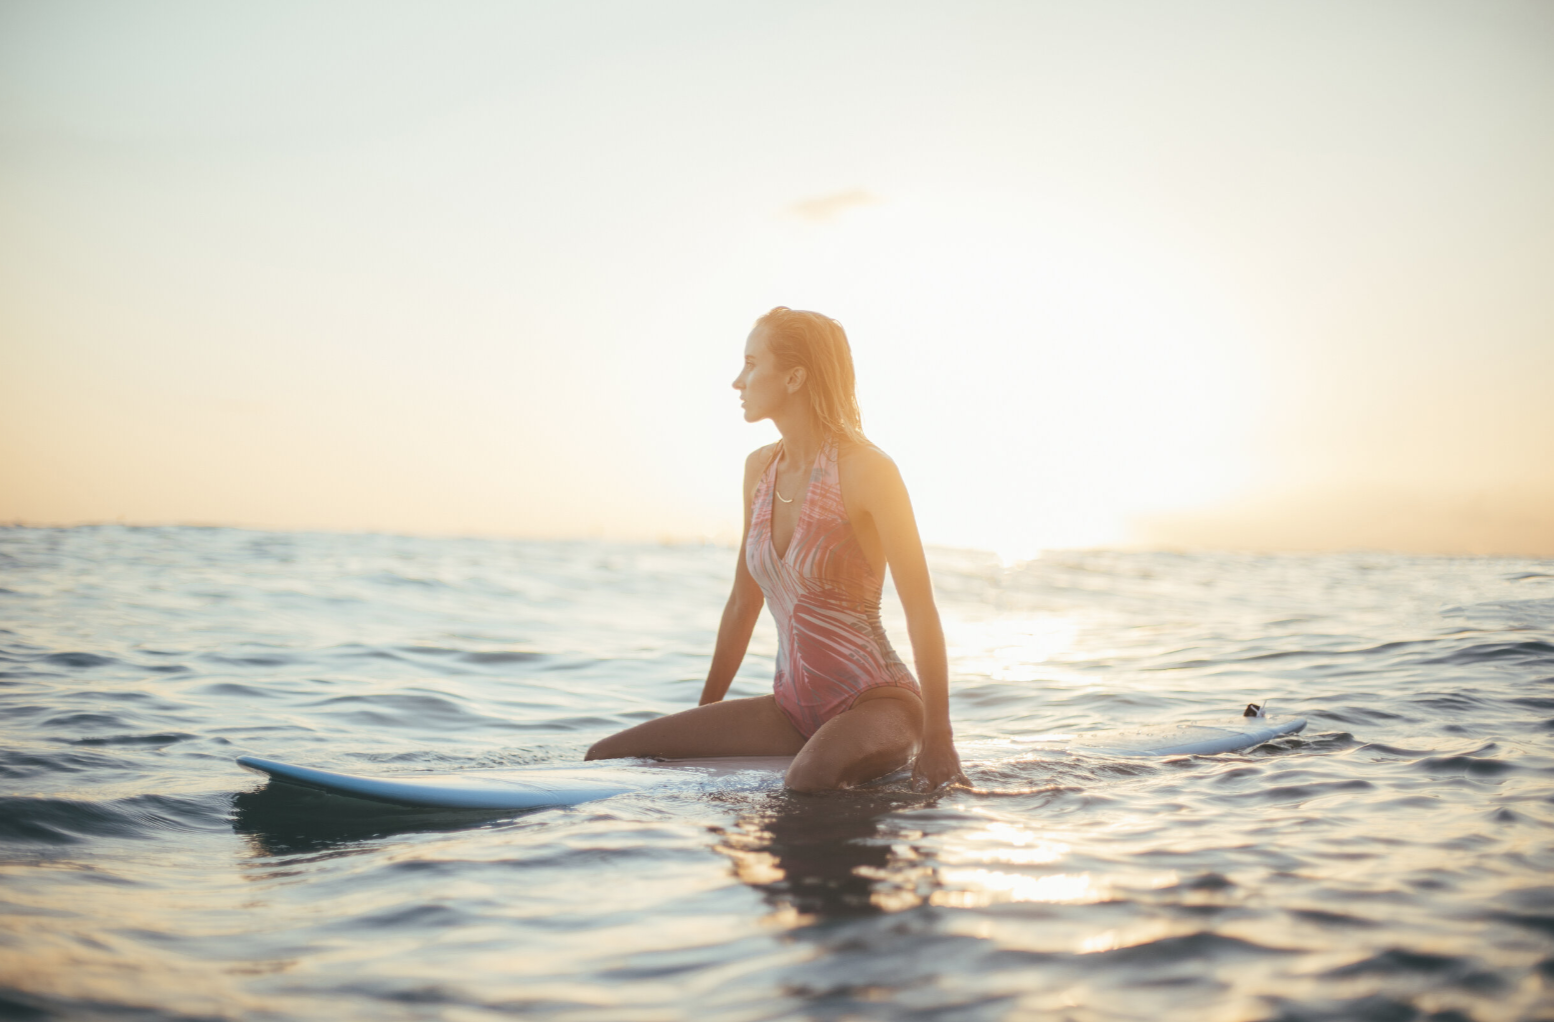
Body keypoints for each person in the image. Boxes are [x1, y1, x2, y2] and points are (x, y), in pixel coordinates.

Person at [586, 307, 965, 793]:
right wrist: (705, 720)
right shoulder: (759, 470)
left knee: (808, 780)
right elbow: (744, 603)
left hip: (877, 703)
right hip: (790, 709)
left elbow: (921, 610)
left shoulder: (867, 470)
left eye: (750, 363)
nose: (737, 381)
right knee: (608, 756)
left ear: (794, 377)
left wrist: (939, 737)